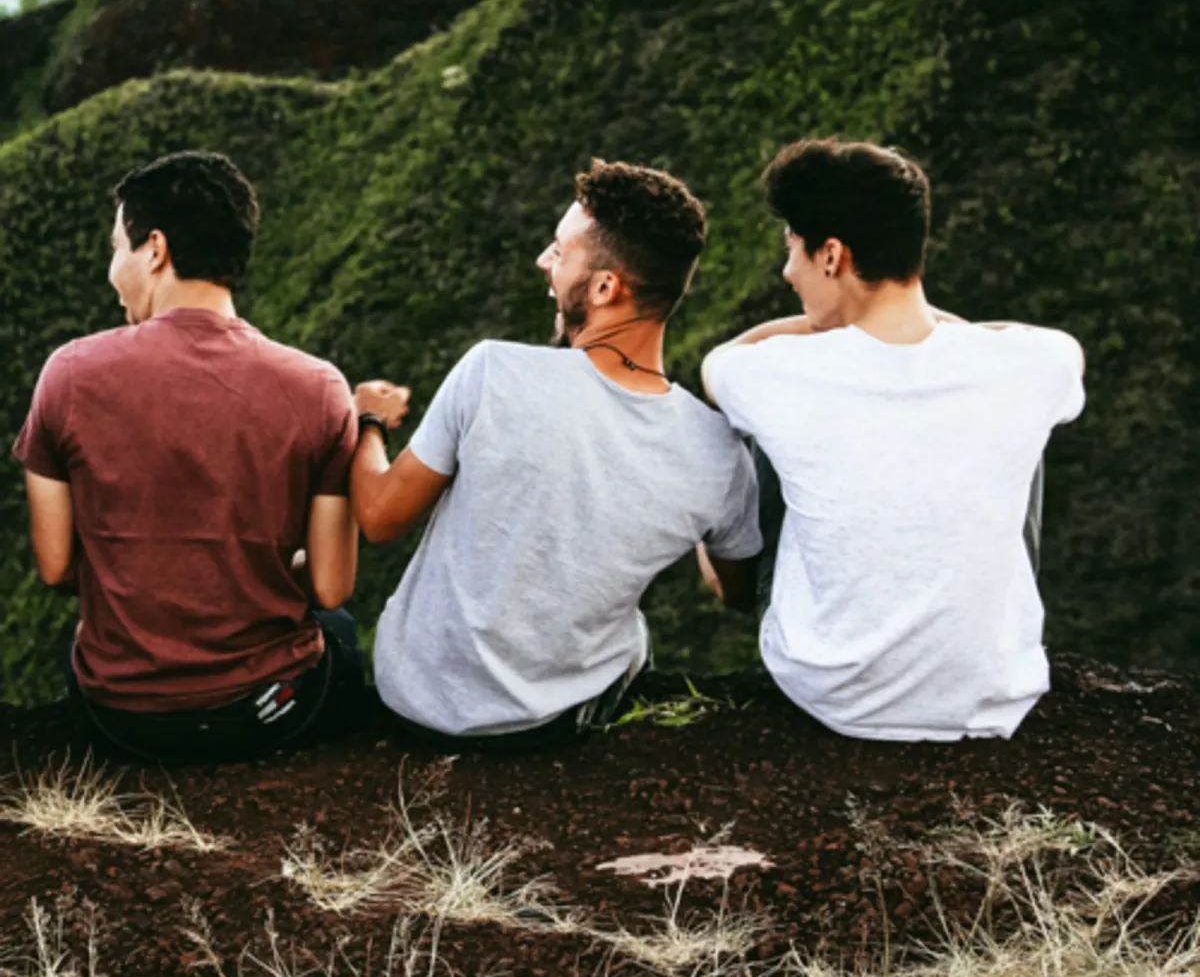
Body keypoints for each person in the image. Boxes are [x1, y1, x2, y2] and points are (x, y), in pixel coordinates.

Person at [353, 159, 763, 752]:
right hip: (552, 725)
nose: (543, 262)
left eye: (558, 250)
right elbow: (737, 593)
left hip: (414, 703)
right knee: (634, 635)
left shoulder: (491, 370)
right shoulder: (719, 453)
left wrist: (368, 421)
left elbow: (380, 517)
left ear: (604, 287)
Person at [702, 138, 1086, 742]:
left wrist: (821, 327)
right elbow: (1058, 349)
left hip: (831, 691)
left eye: (793, 251)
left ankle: (742, 593)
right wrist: (939, 329)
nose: (786, 273)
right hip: (989, 695)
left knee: (761, 432)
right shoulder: (1032, 365)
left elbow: (719, 363)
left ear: (832, 255)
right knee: (1020, 427)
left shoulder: (774, 372)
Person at [12, 150, 364, 762]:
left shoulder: (68, 375)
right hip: (268, 715)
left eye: (116, 248)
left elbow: (56, 567)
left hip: (121, 719)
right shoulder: (321, 388)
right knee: (340, 632)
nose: (111, 270)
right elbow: (330, 586)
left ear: (155, 249)